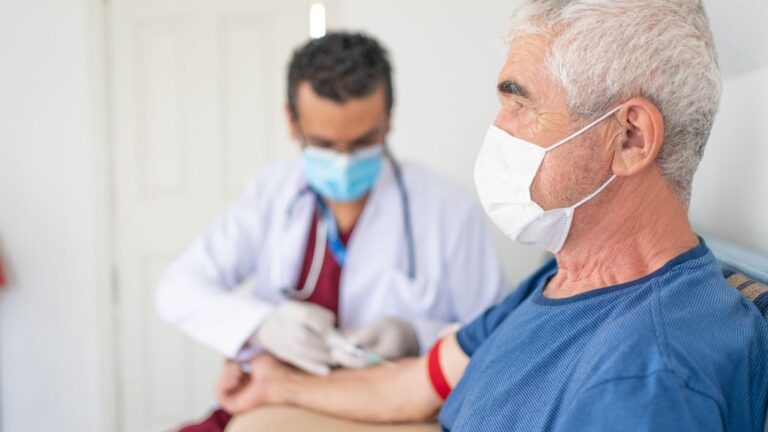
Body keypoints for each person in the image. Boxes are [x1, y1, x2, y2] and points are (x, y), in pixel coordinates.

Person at [215, 2, 768, 431]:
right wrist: (278, 384)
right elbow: (416, 384)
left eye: (520, 102)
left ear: (630, 138)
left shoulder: (646, 380)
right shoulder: (564, 278)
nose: (497, 129)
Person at [156, 32, 508, 431]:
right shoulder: (271, 193)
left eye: (362, 143)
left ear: (388, 120)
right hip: (275, 390)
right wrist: (263, 326)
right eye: (324, 144)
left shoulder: (447, 209)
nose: (343, 161)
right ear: (292, 122)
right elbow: (178, 288)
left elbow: (495, 341)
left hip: (386, 408)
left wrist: (415, 335)